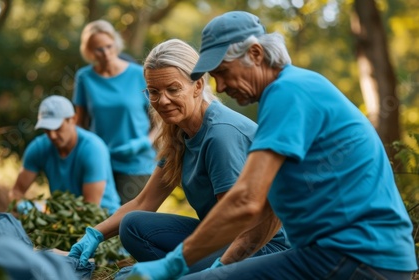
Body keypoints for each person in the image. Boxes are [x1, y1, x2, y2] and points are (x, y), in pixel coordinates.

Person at [126, 11, 418, 280]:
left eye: (223, 72)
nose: (221, 86)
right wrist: (224, 265)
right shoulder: (288, 91)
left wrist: (176, 262)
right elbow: (266, 213)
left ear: (255, 54)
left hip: (356, 258)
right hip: (348, 257)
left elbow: (244, 201)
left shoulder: (289, 93)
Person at [68, 39, 290, 274]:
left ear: (197, 86)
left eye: (173, 89)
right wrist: (93, 234)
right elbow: (144, 202)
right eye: (153, 92)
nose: (162, 101)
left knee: (176, 268)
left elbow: (235, 223)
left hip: (262, 247)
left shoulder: (220, 135)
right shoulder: (179, 132)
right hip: (219, 235)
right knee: (133, 226)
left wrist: (172, 268)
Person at [72, 19, 157, 204]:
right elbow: (79, 124)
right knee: (100, 221)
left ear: (116, 43)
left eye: (109, 46)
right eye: (98, 49)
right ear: (89, 51)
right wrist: (85, 155)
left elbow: (161, 121)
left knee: (129, 223)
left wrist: (143, 143)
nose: (106, 53)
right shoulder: (85, 78)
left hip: (138, 163)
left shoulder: (139, 74)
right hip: (100, 162)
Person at [10, 95, 120, 215]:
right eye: (46, 129)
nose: (52, 135)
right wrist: (25, 208)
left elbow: (90, 208)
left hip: (103, 219)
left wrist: (47, 214)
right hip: (62, 217)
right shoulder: (39, 148)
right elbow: (16, 193)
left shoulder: (93, 149)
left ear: (72, 119)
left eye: (57, 128)